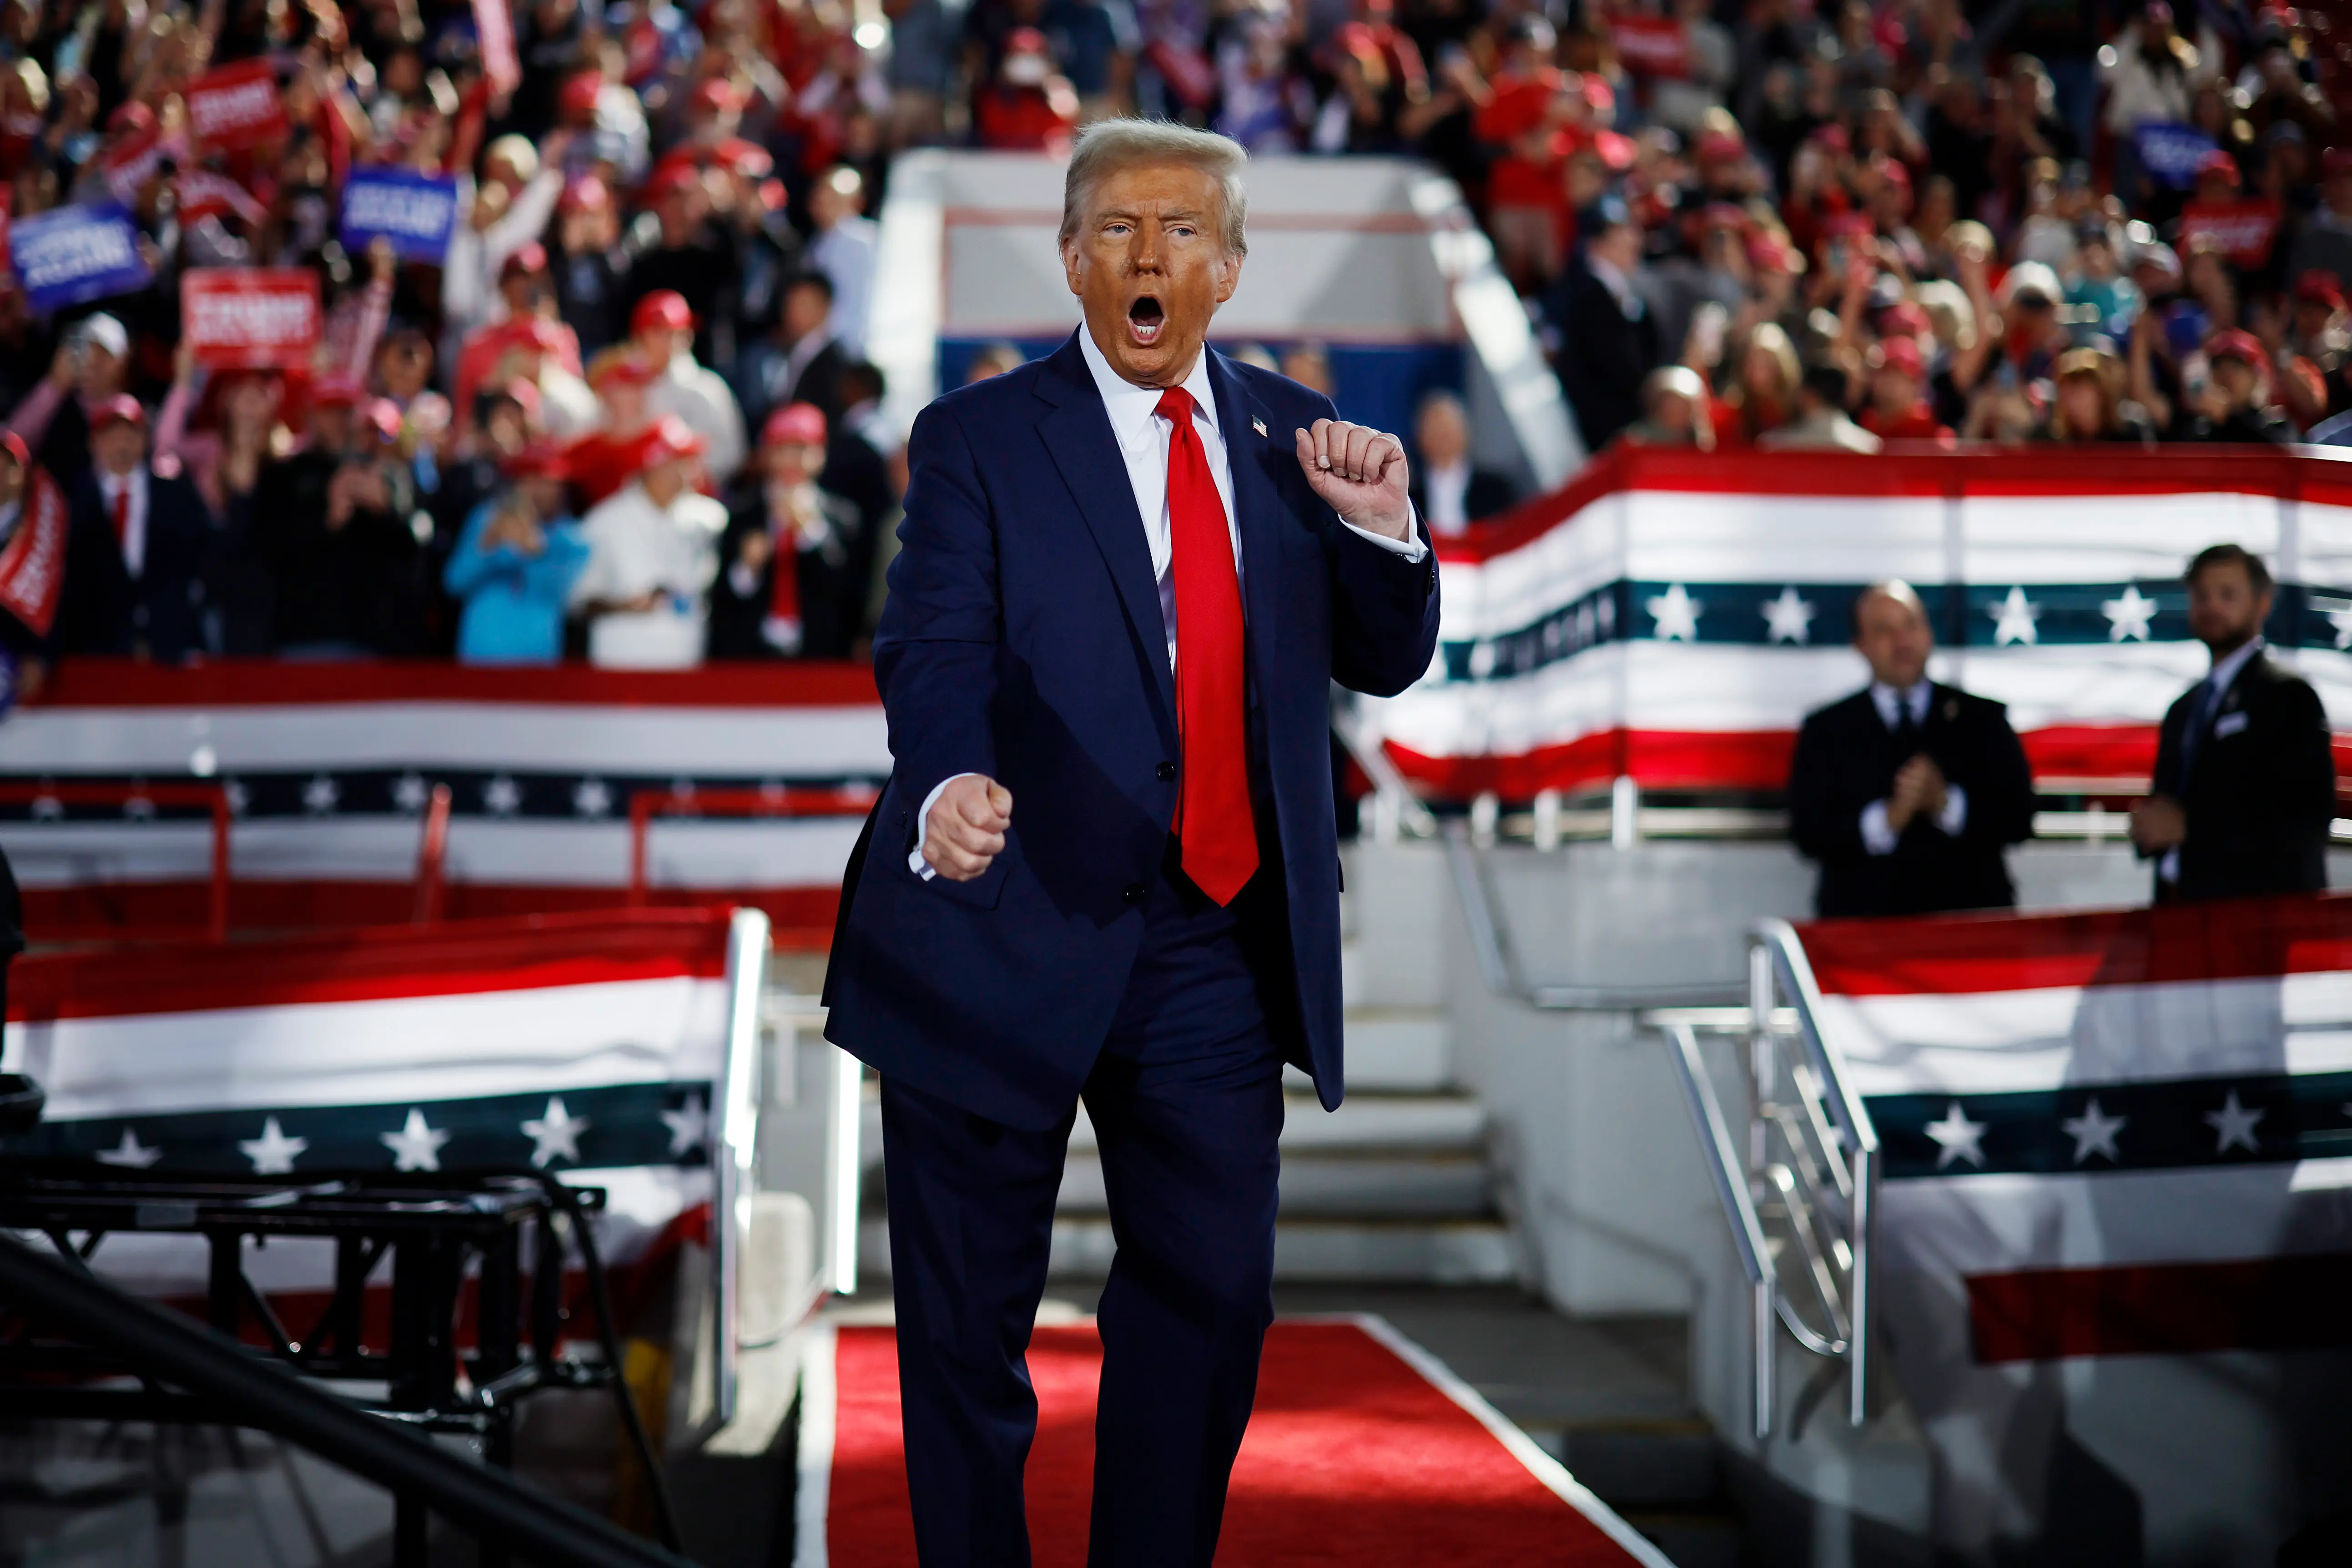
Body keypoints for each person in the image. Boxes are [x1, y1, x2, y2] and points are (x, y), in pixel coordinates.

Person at [821, 121, 1439, 1567]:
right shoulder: (975, 438)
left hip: (1210, 942)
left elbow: (1387, 658)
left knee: (1214, 1299)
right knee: (964, 1336)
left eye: (1175, 232)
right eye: (1113, 228)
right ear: (1068, 259)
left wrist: (1385, 526)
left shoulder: (1303, 441)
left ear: (1225, 266)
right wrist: (948, 780)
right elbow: (931, 645)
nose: (1145, 255)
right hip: (992, 926)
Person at [1788, 581, 2037, 918]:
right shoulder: (1827, 728)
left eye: (1910, 625)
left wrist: (1946, 803)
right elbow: (1807, 832)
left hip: (1969, 929)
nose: (1902, 641)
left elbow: (2018, 818)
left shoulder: (1981, 719)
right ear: (1859, 645)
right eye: (1883, 630)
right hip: (1864, 931)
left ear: (1928, 633)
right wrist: (1884, 820)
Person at [2130, 545, 2334, 902]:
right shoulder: (2184, 708)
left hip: (2255, 920)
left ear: (2262, 603)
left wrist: (2188, 828)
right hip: (2177, 916)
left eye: (2227, 594)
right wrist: (2148, 828)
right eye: (2201, 595)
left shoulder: (2287, 696)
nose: (2212, 606)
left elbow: (2305, 819)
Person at [57, 395, 218, 664]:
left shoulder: (175, 493)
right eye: (111, 435)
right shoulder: (73, 504)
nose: (122, 444)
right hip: (100, 654)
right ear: (93, 443)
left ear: (145, 440)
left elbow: (203, 557)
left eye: (130, 434)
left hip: (173, 650)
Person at [568, 414, 725, 668]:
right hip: (622, 664)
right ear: (654, 465)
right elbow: (579, 602)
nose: (692, 469)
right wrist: (624, 606)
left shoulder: (710, 519)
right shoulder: (604, 523)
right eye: (681, 461)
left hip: (688, 662)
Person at [710, 403, 865, 658]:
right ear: (766, 455)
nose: (792, 460)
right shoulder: (742, 515)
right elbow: (723, 600)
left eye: (802, 449)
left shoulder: (843, 517)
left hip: (820, 659)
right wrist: (747, 568)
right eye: (782, 449)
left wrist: (810, 534)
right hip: (753, 659)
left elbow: (848, 594)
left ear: (821, 455)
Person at [444, 441, 588, 664]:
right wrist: (487, 549)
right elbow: (454, 583)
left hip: (536, 662)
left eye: (549, 481)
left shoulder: (571, 538)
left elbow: (558, 595)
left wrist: (534, 550)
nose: (540, 490)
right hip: (478, 658)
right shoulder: (485, 519)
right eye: (531, 479)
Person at [633, 290, 747, 485]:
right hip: (638, 497)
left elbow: (732, 455)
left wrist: (684, 474)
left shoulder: (707, 387)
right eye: (657, 332)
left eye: (674, 333)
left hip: (696, 493)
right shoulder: (626, 383)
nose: (666, 342)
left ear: (688, 336)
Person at [1404, 389, 1516, 532]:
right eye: (1436, 431)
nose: (1443, 437)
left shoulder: (1496, 489)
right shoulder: (1409, 501)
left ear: (1465, 433)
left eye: (1448, 429)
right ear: (1419, 438)